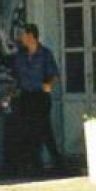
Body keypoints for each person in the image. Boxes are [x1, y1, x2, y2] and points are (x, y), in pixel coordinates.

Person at [5, 23, 63, 174]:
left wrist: (48, 84)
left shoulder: (45, 54)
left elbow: (54, 73)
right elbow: (16, 78)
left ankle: (57, 162)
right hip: (25, 95)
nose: (21, 38)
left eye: (23, 35)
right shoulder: (20, 56)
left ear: (31, 36)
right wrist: (10, 95)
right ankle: (33, 163)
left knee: (43, 128)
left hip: (40, 96)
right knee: (26, 130)